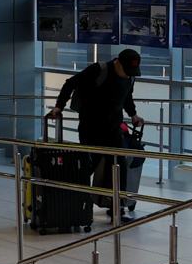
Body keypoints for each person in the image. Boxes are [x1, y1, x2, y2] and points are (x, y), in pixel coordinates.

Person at [49, 49, 143, 211]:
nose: (128, 75)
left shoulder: (130, 77)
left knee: (119, 165)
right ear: (118, 62)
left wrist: (133, 115)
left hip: (113, 130)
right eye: (126, 71)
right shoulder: (98, 70)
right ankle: (77, 203)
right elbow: (70, 83)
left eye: (132, 72)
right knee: (88, 166)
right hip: (91, 128)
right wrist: (59, 106)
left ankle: (117, 206)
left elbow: (126, 97)